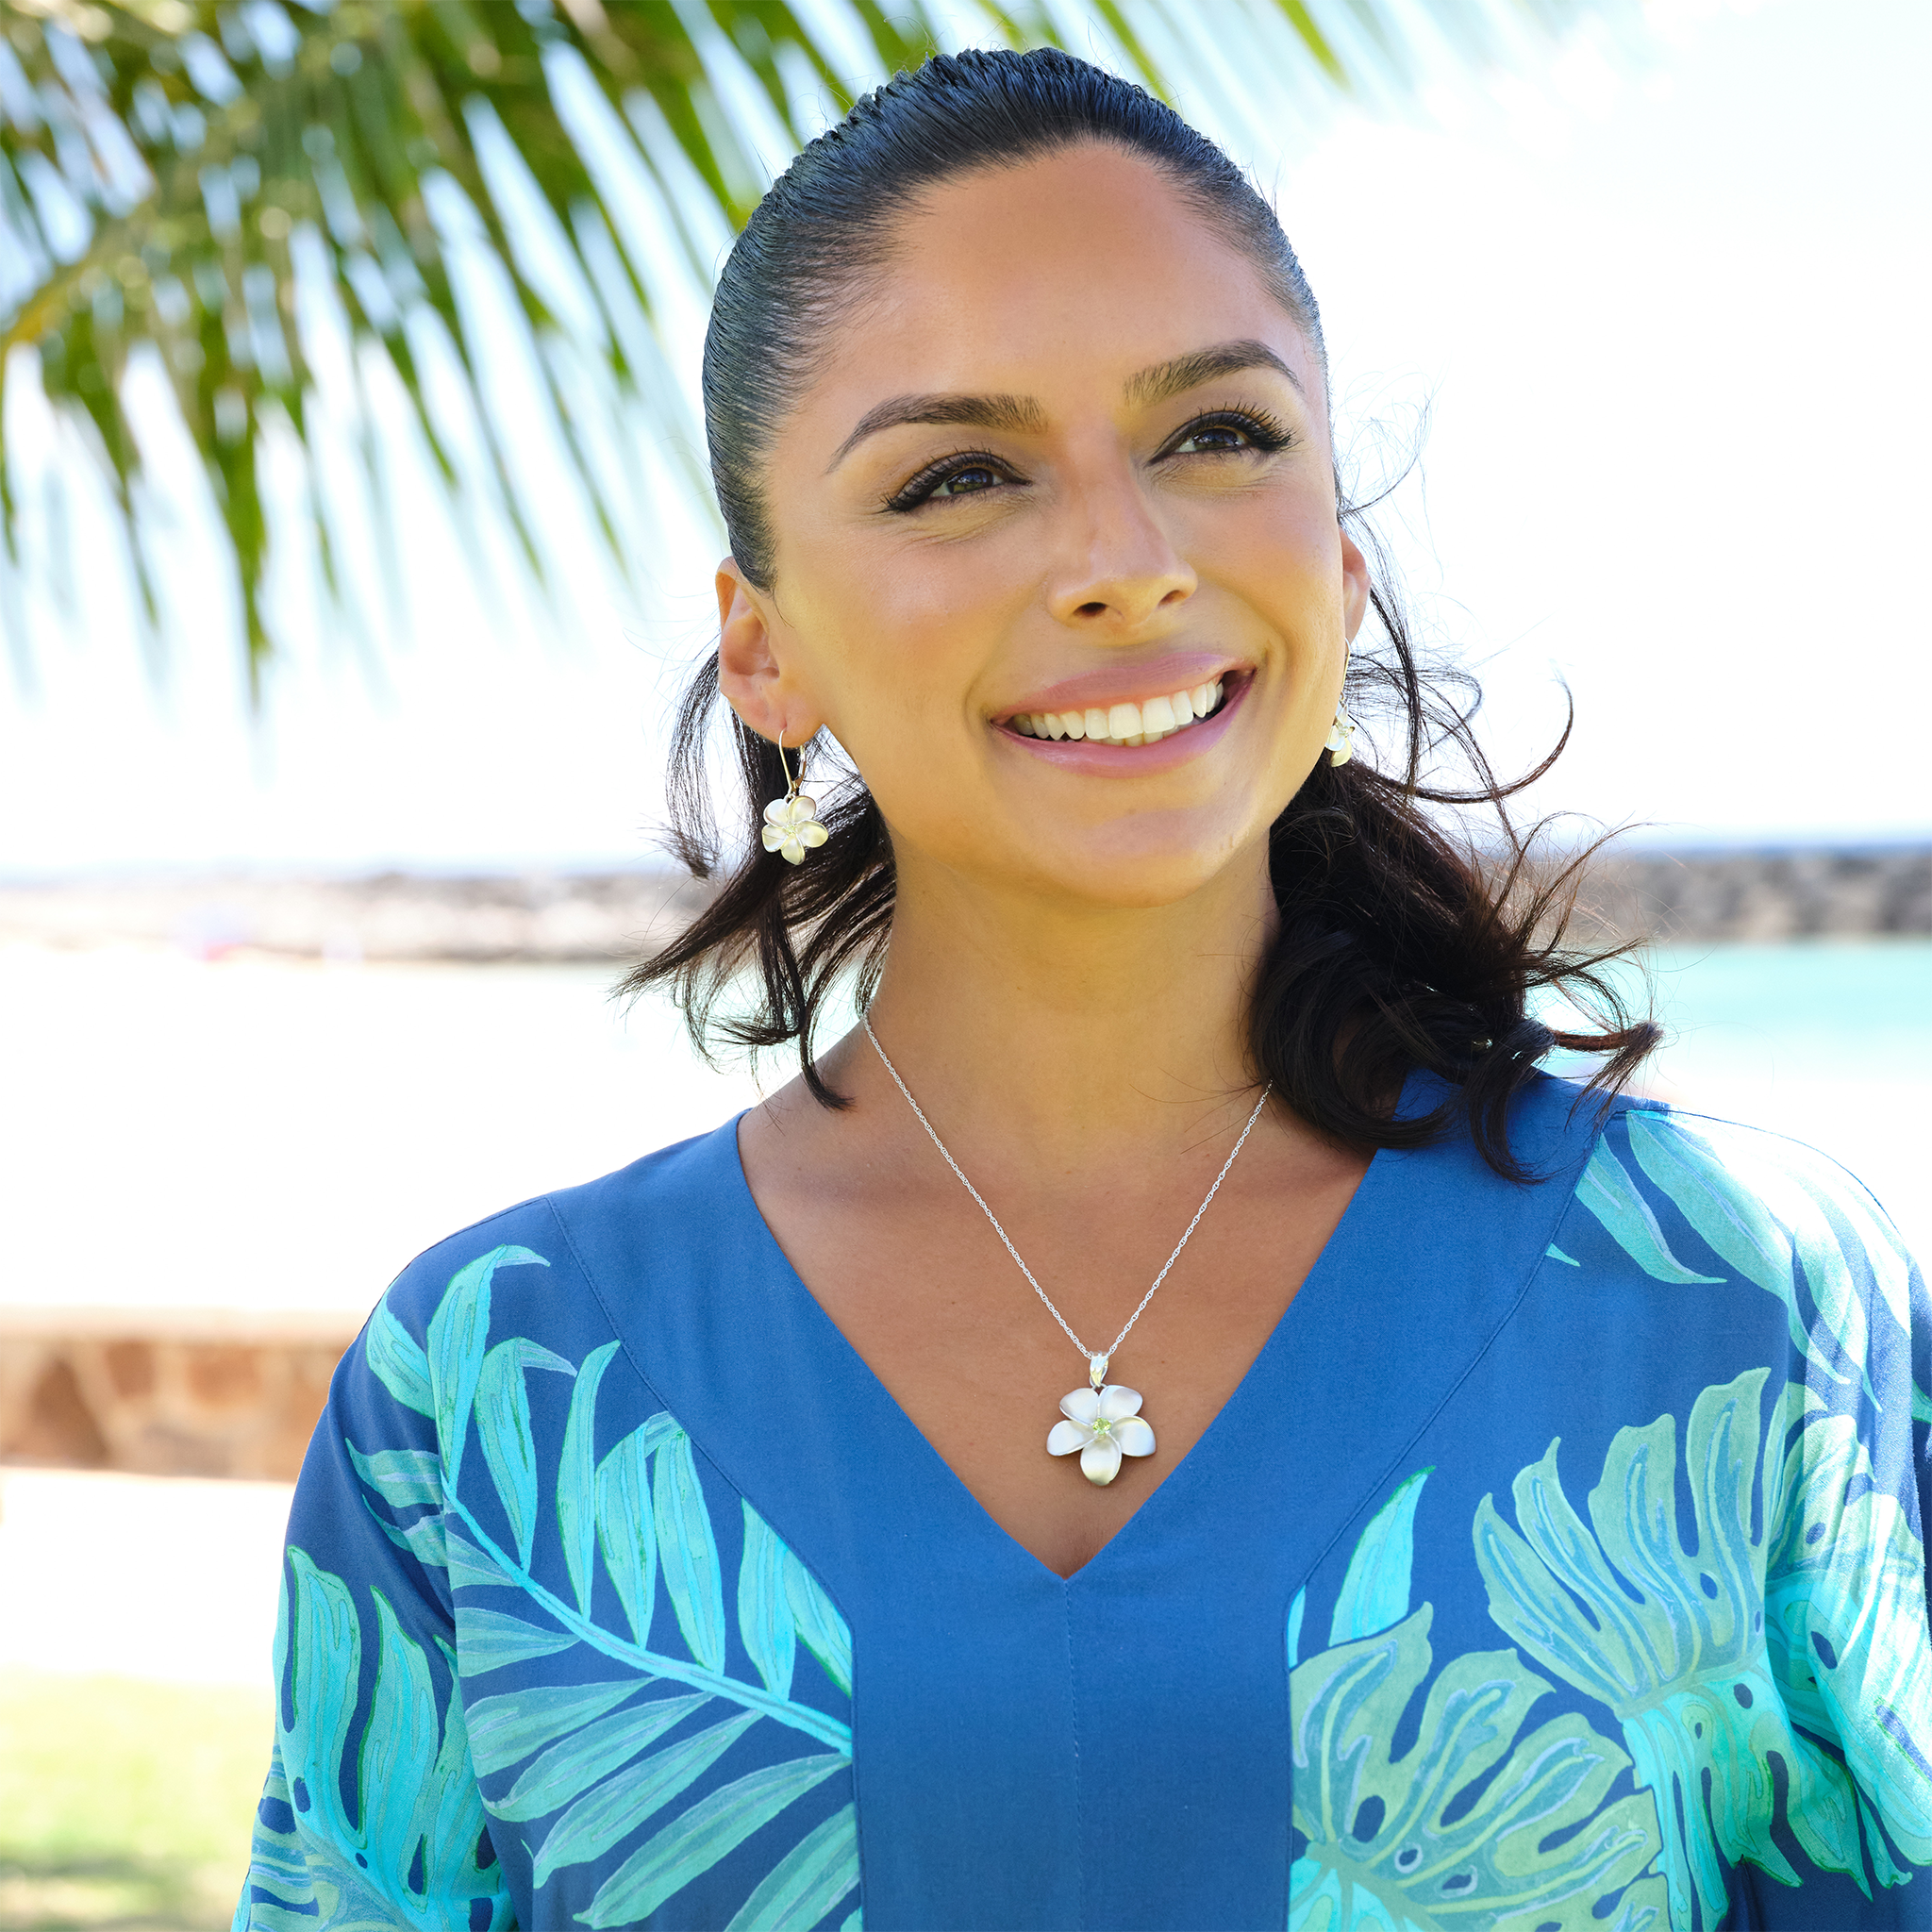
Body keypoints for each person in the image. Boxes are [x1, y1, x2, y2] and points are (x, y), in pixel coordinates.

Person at [233, 47, 1931, 1932]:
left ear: (1340, 563)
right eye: (960, 474)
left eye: (1218, 438)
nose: (1126, 562)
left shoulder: (1732, 1299)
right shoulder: (493, 1385)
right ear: (764, 646)